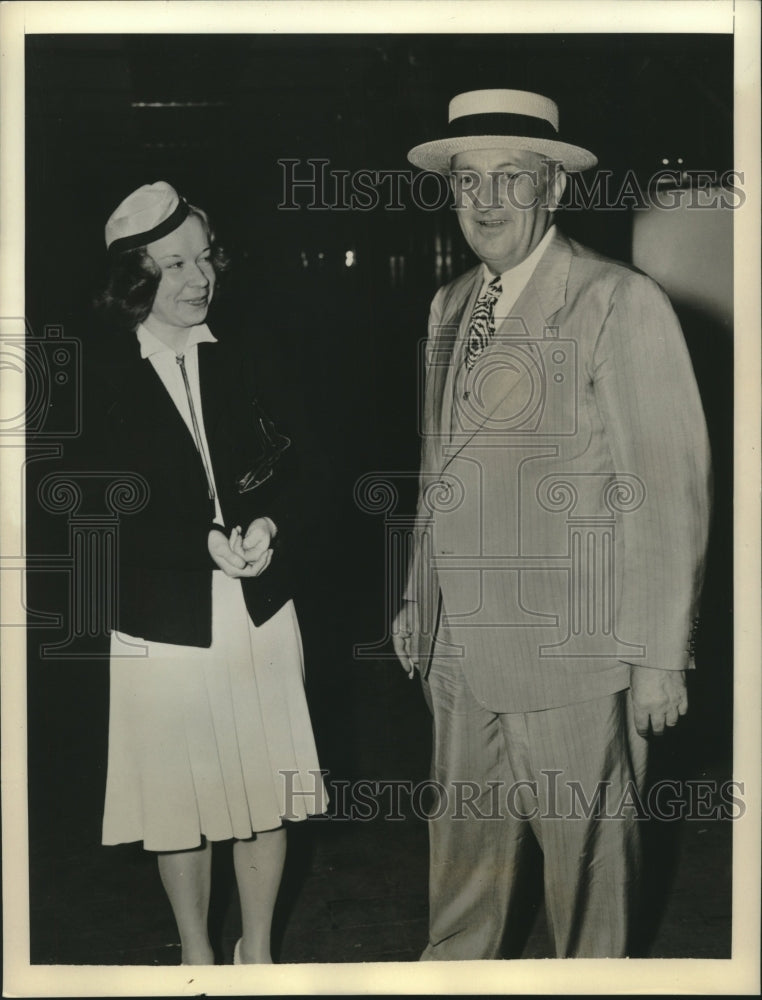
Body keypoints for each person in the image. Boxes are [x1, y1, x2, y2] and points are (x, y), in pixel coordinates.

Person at [394, 90, 711, 959]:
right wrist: (419, 598)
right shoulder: (449, 305)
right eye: (467, 181)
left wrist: (657, 659)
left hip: (578, 651)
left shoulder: (618, 301)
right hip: (461, 647)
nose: (486, 202)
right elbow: (440, 469)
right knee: (460, 881)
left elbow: (666, 488)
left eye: (510, 179)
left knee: (589, 884)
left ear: (554, 191)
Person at [89, 181, 327, 965]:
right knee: (178, 796)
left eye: (206, 258)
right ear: (135, 279)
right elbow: (91, 507)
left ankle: (254, 951)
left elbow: (305, 464)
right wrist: (195, 541)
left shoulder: (251, 351)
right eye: (176, 265)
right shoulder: (98, 373)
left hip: (258, 608)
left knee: (265, 791)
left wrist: (270, 523)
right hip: (165, 617)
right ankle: (194, 952)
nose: (200, 279)